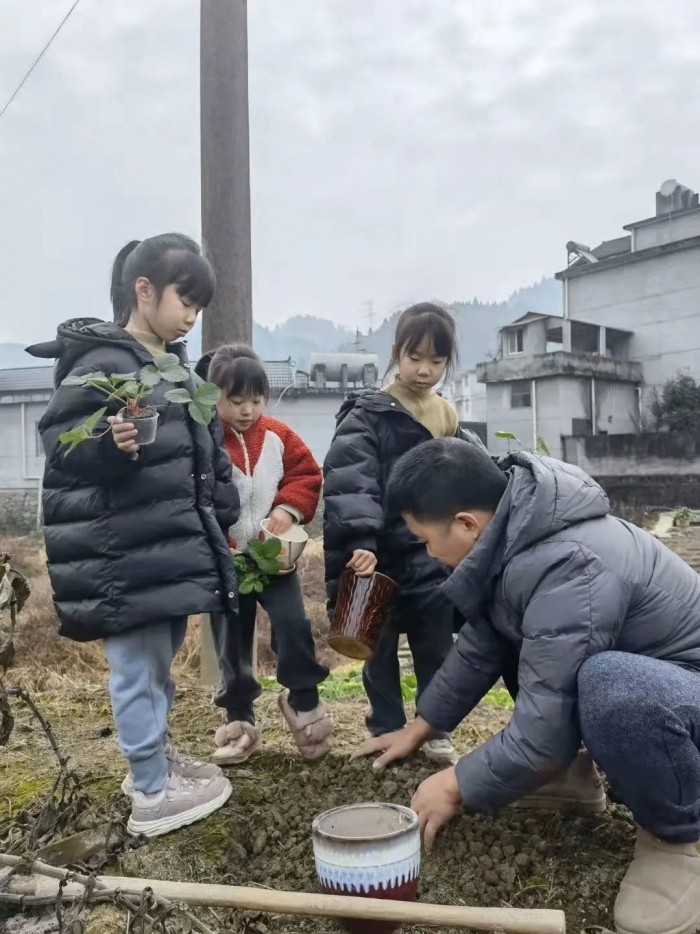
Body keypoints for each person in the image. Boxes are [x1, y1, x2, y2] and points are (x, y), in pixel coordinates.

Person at [354, 437, 700, 934]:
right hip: (663, 689)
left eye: (426, 541)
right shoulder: (519, 534)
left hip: (680, 698)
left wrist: (454, 783)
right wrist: (422, 726)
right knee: (533, 642)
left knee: (612, 686)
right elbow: (485, 641)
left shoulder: (570, 562)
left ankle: (676, 836)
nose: (429, 555)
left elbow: (544, 731)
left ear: (467, 524)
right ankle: (566, 777)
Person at [27, 234, 238, 838]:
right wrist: (108, 444)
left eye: (199, 306)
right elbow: (61, 442)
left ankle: (157, 760)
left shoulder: (171, 367)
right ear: (144, 290)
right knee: (137, 669)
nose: (192, 316)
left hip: (162, 547)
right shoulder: (103, 362)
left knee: (156, 665)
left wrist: (222, 509)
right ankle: (150, 791)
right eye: (185, 301)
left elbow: (201, 452)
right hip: (123, 552)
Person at [323, 302, 486, 766]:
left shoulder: (446, 415)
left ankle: (434, 727)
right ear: (396, 352)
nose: (425, 370)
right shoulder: (368, 414)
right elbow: (352, 483)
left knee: (436, 644)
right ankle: (386, 727)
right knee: (377, 648)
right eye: (415, 357)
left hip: (432, 555)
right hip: (380, 559)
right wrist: (362, 543)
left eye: (437, 360)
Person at [202, 343, 332, 764]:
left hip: (274, 559)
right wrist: (216, 542)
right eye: (236, 400)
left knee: (294, 625)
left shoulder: (278, 435)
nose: (247, 410)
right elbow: (194, 496)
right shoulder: (205, 441)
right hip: (227, 563)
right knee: (231, 642)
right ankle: (239, 719)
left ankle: (304, 701)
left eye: (256, 400)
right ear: (214, 396)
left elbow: (307, 474)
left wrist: (287, 508)